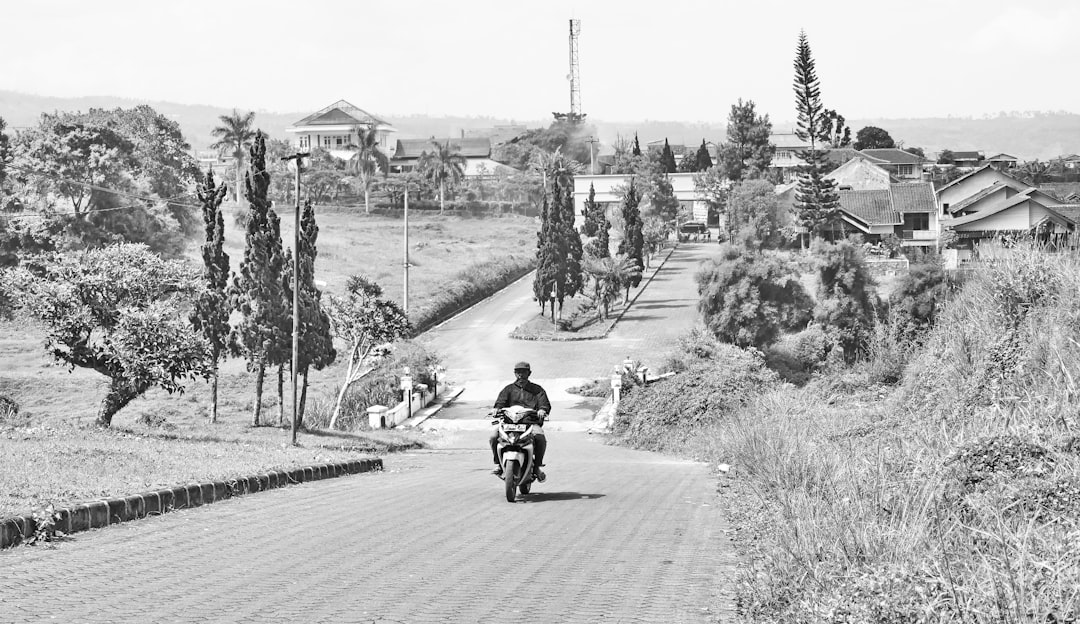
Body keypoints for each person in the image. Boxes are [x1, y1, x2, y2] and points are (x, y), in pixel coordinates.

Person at [490, 361, 549, 481]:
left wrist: (542, 410)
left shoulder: (537, 390)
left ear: (529, 373)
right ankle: (498, 464)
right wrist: (497, 409)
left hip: (530, 422)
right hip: (509, 423)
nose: (520, 375)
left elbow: (544, 404)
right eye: (518, 372)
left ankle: (537, 467)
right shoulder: (508, 389)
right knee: (493, 436)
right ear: (514, 373)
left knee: (540, 438)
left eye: (523, 372)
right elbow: (500, 402)